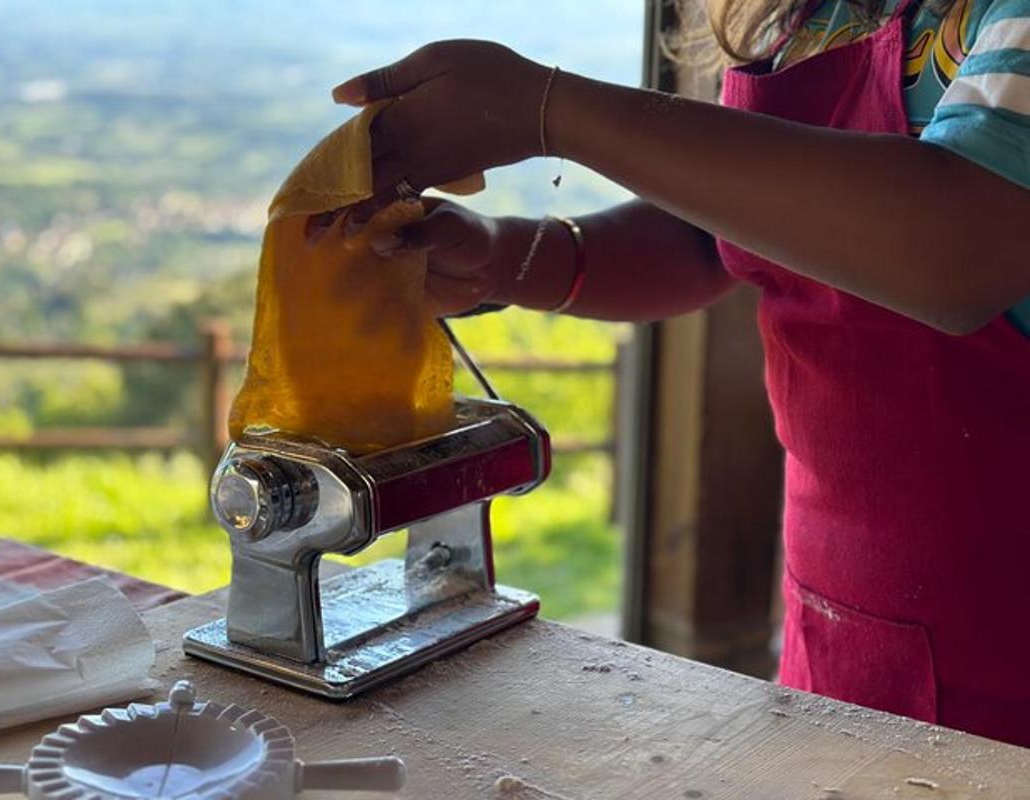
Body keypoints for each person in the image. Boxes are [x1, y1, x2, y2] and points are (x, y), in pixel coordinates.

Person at [311, 0, 1030, 748]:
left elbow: (956, 244)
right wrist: (506, 254)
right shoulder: (821, 12)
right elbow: (721, 229)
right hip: (846, 643)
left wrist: (543, 109)